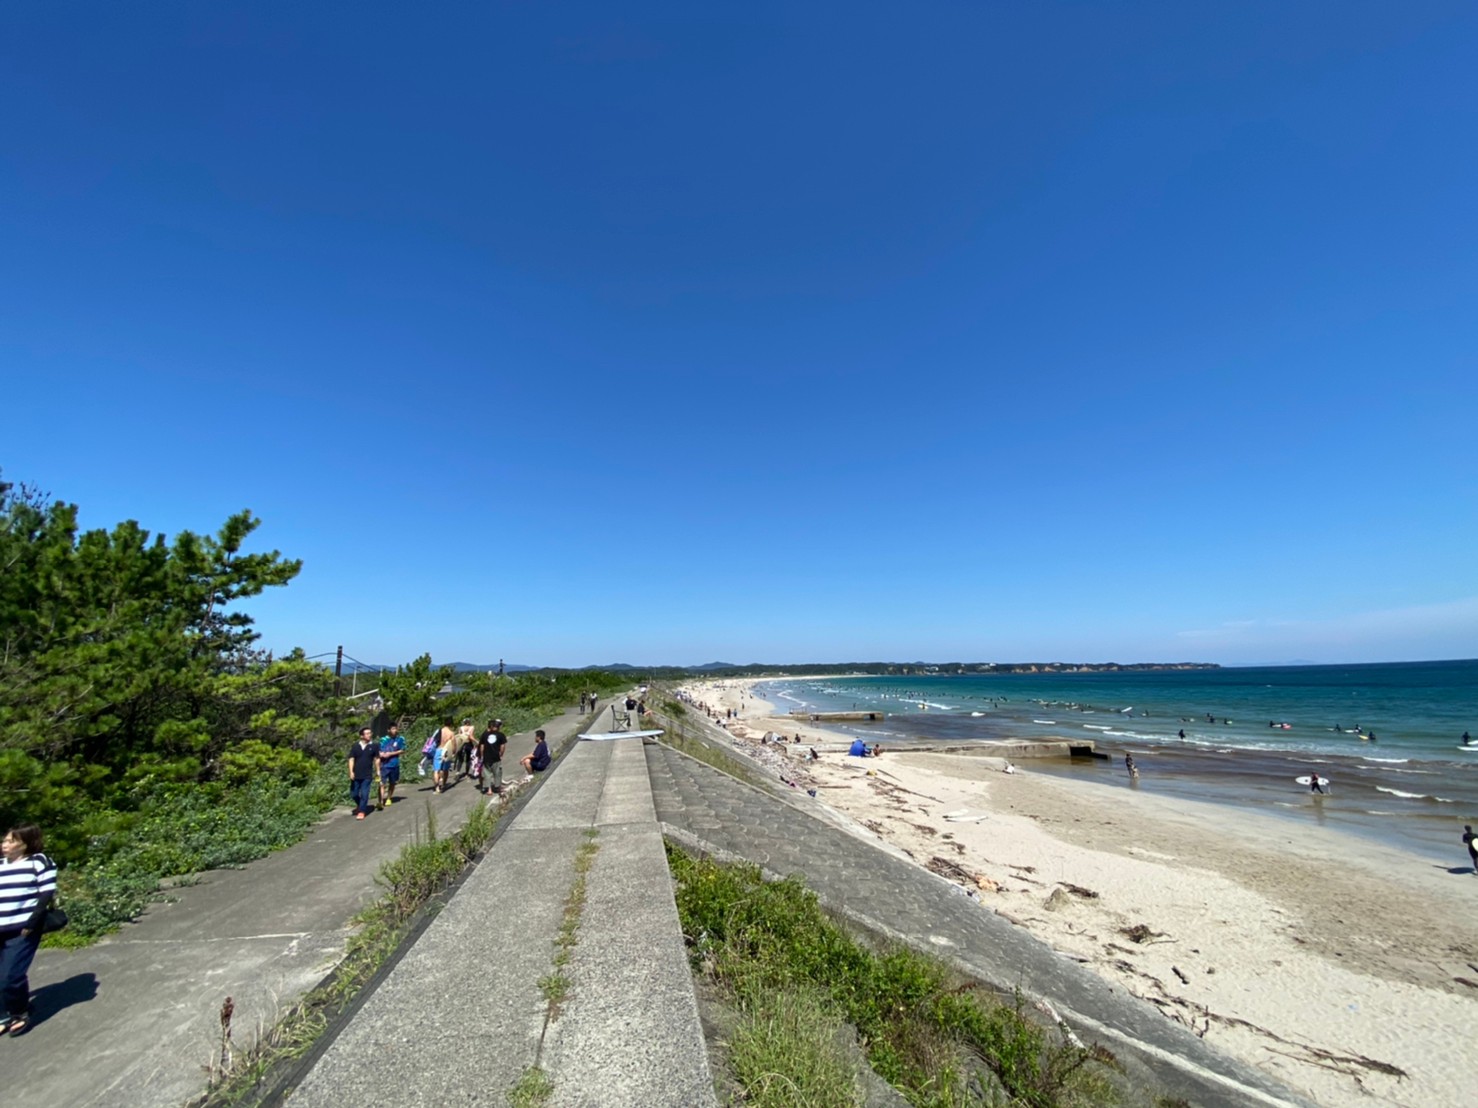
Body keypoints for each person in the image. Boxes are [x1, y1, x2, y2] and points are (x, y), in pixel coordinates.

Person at [0, 825, 57, 1036]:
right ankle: (3, 1014)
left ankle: (19, 1012)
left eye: (11, 841)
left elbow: (46, 894)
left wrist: (31, 924)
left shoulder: (39, 861)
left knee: (11, 976)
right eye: (4, 841)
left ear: (26, 843)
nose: (5, 845)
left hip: (21, 928)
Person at [348, 727, 378, 820]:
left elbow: (376, 759)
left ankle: (362, 811)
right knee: (354, 794)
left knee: (365, 794)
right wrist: (351, 771)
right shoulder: (355, 746)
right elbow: (351, 759)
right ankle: (360, 805)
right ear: (362, 736)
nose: (370, 735)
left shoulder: (374, 746)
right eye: (367, 733)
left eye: (370, 733)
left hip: (367, 775)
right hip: (356, 774)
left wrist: (378, 771)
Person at [377, 723, 405, 809]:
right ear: (388, 730)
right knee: (382, 784)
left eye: (396, 729)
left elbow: (402, 750)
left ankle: (389, 798)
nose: (395, 730)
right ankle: (380, 802)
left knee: (393, 783)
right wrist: (382, 754)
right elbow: (378, 750)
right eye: (393, 729)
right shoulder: (383, 739)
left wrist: (391, 754)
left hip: (394, 764)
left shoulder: (400, 739)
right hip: (384, 765)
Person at [480, 719, 507, 796]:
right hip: (496, 757)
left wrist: (482, 756)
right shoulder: (501, 735)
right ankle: (498, 787)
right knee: (497, 773)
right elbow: (502, 747)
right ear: (498, 727)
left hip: (486, 757)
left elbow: (482, 747)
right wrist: (501, 754)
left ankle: (489, 790)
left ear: (491, 727)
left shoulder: (485, 735)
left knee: (487, 774)